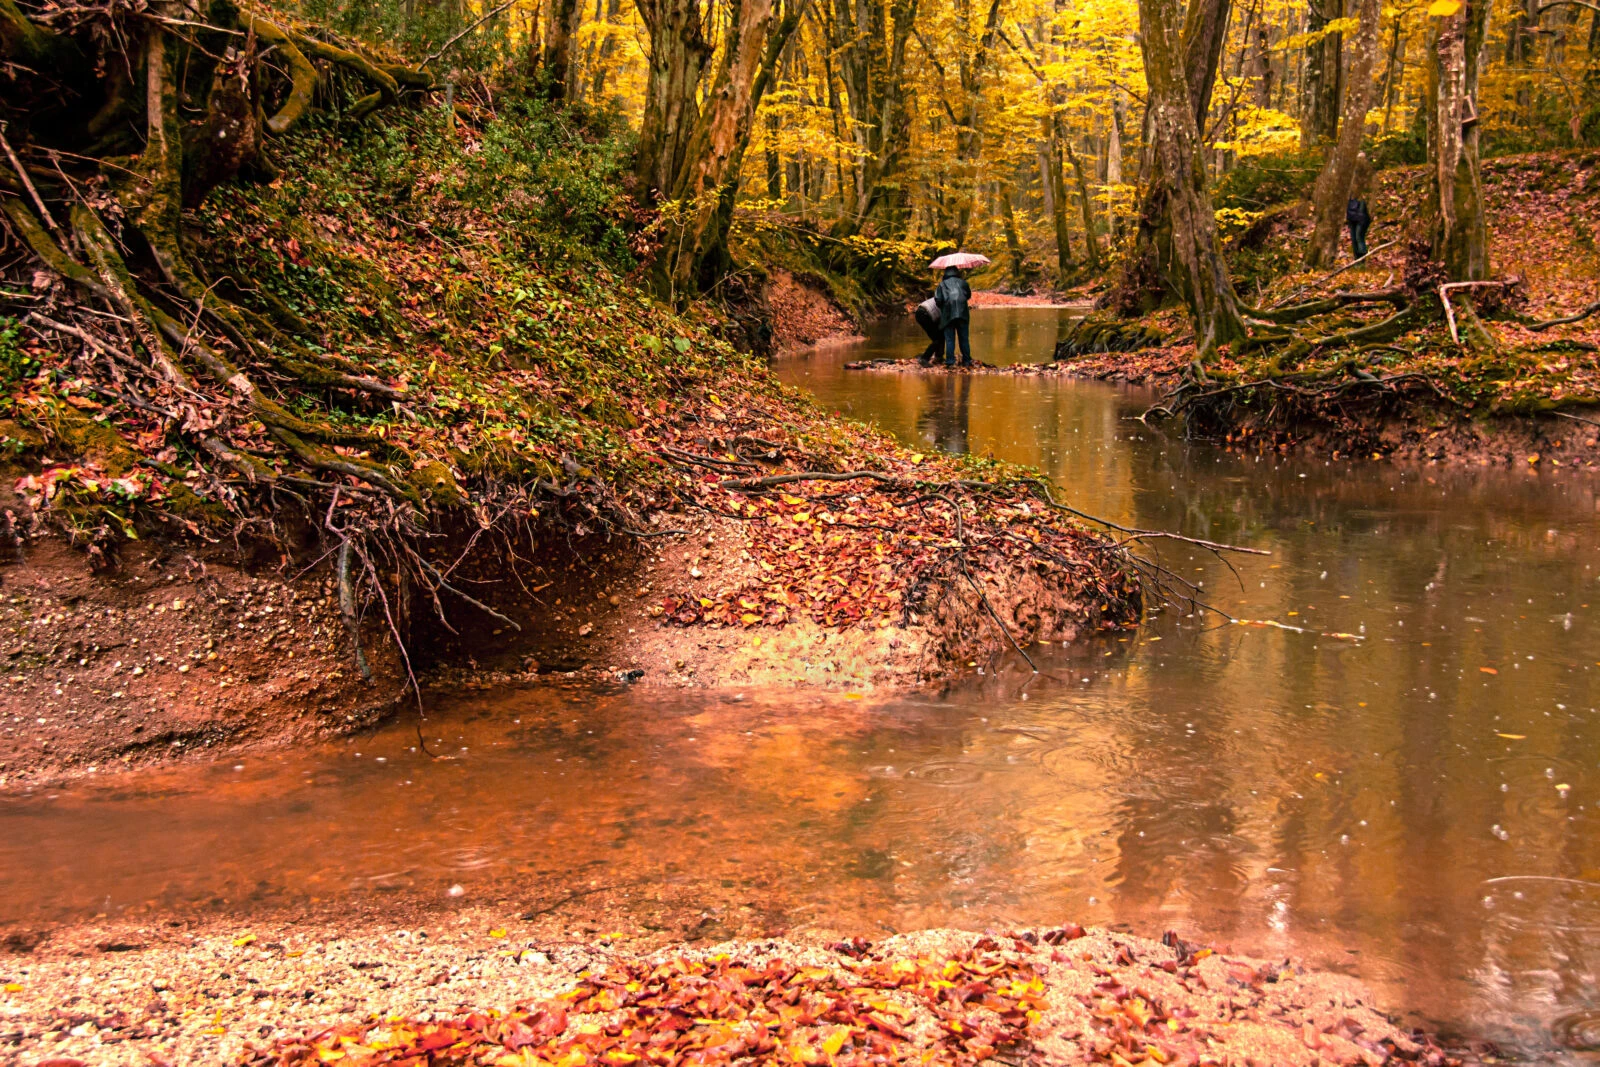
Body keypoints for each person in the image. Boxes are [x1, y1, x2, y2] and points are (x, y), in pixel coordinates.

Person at [933, 266, 973, 368]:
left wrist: (942, 306)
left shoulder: (942, 285)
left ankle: (950, 362)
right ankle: (967, 361)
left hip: (948, 314)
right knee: (964, 338)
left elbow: (938, 299)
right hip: (963, 313)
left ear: (945, 273)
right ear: (957, 272)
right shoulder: (963, 283)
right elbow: (968, 295)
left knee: (950, 339)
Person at [913, 297, 942, 366]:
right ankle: (924, 359)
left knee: (938, 336)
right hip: (925, 314)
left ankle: (938, 357)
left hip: (920, 312)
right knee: (937, 339)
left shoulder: (942, 294)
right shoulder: (948, 302)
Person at [1346, 195, 1371, 260]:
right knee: (1354, 239)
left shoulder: (1361, 199)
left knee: (1359, 237)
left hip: (1361, 220)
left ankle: (1362, 258)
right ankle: (1357, 259)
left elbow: (1362, 214)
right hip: (1352, 219)